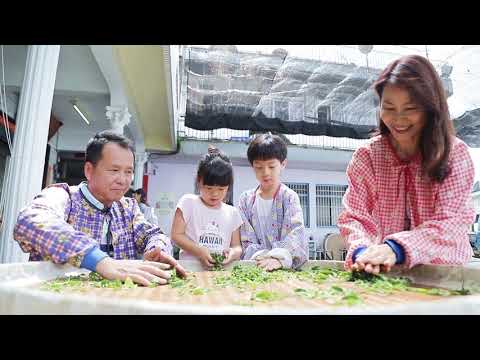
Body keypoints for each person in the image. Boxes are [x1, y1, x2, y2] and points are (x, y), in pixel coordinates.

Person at [337, 54, 476, 275]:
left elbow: (450, 221)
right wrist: (362, 252)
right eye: (389, 108)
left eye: (410, 109)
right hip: (390, 273)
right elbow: (355, 216)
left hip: (447, 275)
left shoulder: (453, 154)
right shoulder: (368, 156)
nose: (398, 119)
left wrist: (397, 248)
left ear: (431, 108)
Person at [14, 130, 186, 286]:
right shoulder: (65, 197)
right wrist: (99, 261)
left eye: (128, 172)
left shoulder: (128, 208)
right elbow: (30, 221)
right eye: (114, 170)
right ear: (89, 170)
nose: (123, 180)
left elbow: (153, 234)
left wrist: (157, 249)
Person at [238, 133, 308, 271]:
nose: (265, 172)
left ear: (283, 164)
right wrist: (264, 258)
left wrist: (278, 258)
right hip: (256, 267)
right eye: (259, 167)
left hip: (283, 268)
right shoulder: (245, 200)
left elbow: (295, 234)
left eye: (271, 166)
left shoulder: (289, 197)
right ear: (252, 166)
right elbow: (246, 240)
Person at [170, 146, 243, 269]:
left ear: (228, 187)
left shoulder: (232, 213)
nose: (215, 194)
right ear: (199, 181)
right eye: (209, 188)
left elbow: (237, 247)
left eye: (221, 189)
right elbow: (176, 236)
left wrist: (232, 254)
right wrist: (199, 251)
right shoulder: (188, 203)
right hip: (190, 270)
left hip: (220, 272)